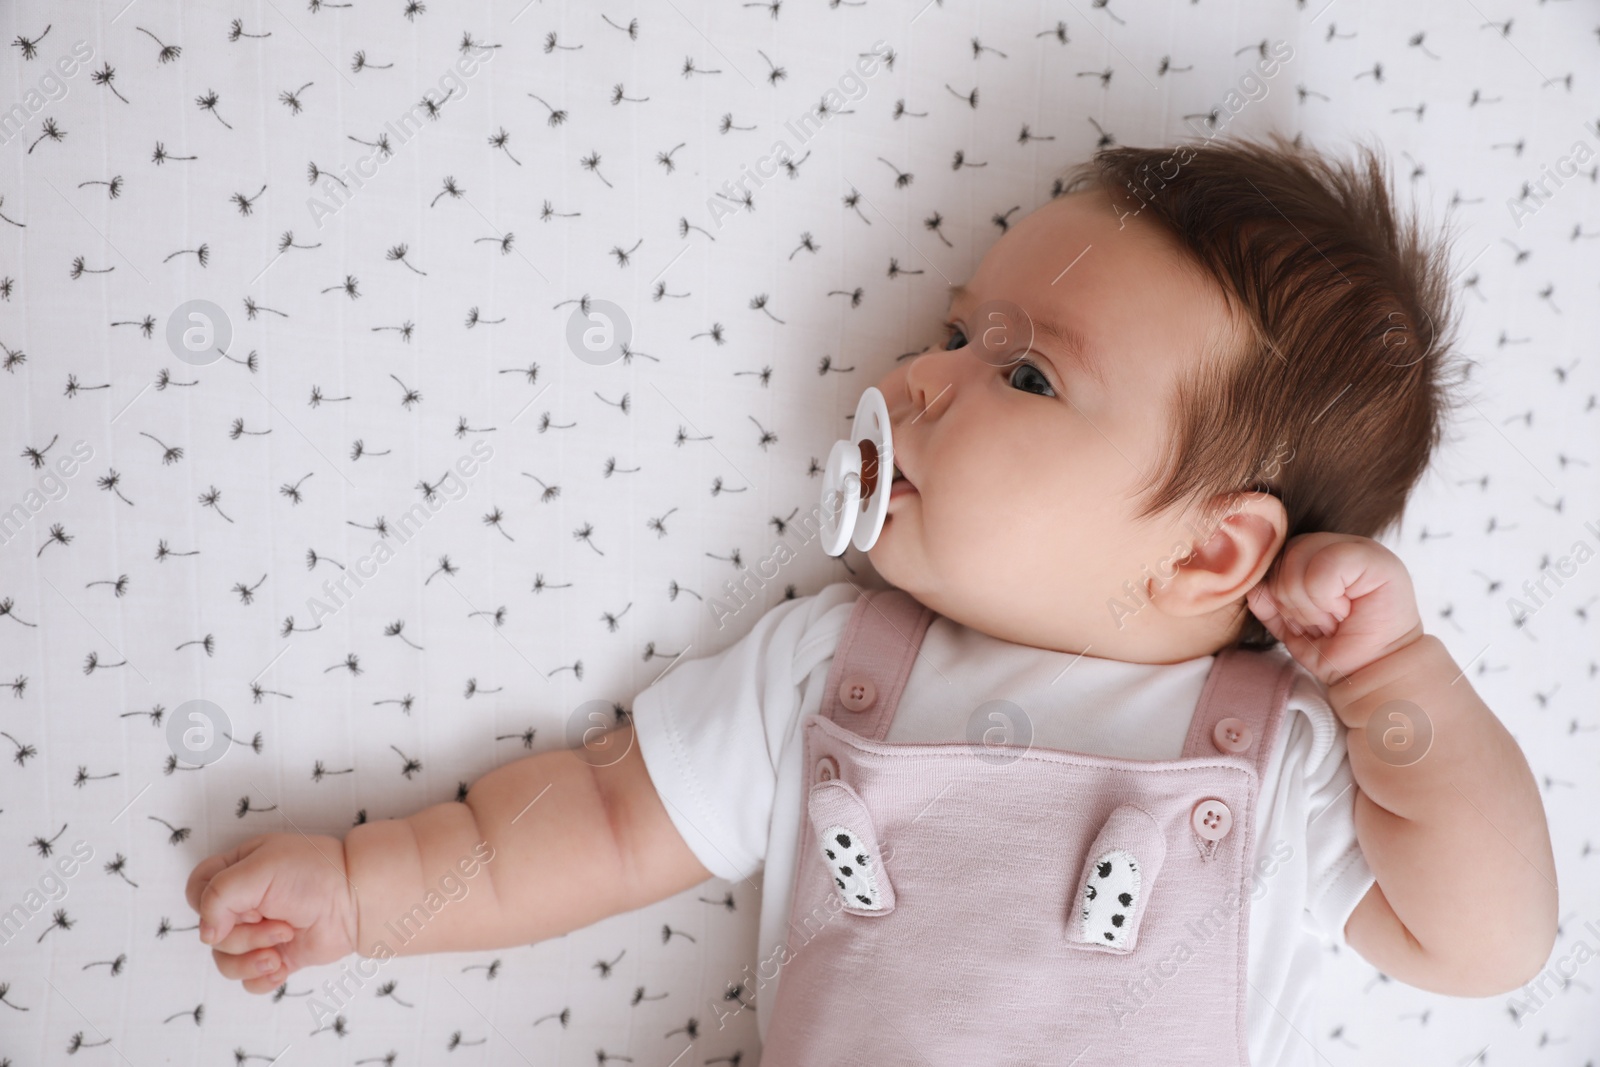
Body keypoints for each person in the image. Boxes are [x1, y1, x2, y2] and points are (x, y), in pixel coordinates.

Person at [186, 134, 1557, 1065]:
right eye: (957, 333)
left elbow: (1488, 937)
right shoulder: (832, 667)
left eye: (1023, 377)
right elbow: (602, 819)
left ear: (1209, 557)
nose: (915, 379)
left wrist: (1397, 682)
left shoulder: (1285, 757)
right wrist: (369, 894)